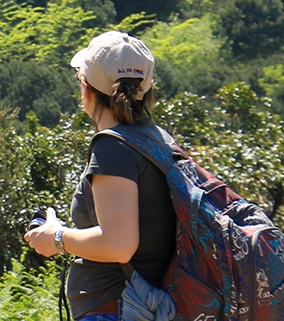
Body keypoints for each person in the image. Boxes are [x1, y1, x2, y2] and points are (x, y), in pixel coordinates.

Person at [24, 31, 178, 321]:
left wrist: (56, 237)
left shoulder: (113, 147)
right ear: (147, 89)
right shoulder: (160, 141)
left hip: (116, 309)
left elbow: (118, 244)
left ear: (86, 88)